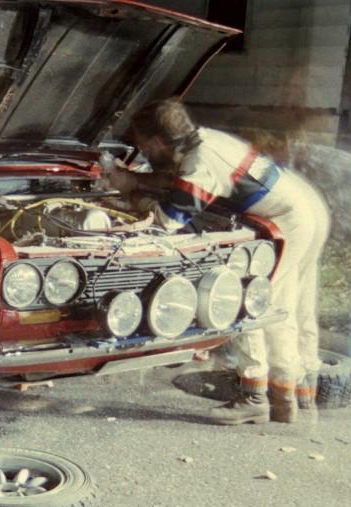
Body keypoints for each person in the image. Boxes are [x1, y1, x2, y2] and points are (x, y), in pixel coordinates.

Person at [106, 98, 330, 425]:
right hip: (298, 209)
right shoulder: (205, 140)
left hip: (287, 221)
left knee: (247, 301)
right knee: (283, 303)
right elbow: (174, 179)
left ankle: (255, 396)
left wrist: (127, 202)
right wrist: (135, 180)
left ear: (156, 141)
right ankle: (291, 399)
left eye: (142, 144)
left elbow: (169, 219)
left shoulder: (201, 162)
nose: (141, 150)